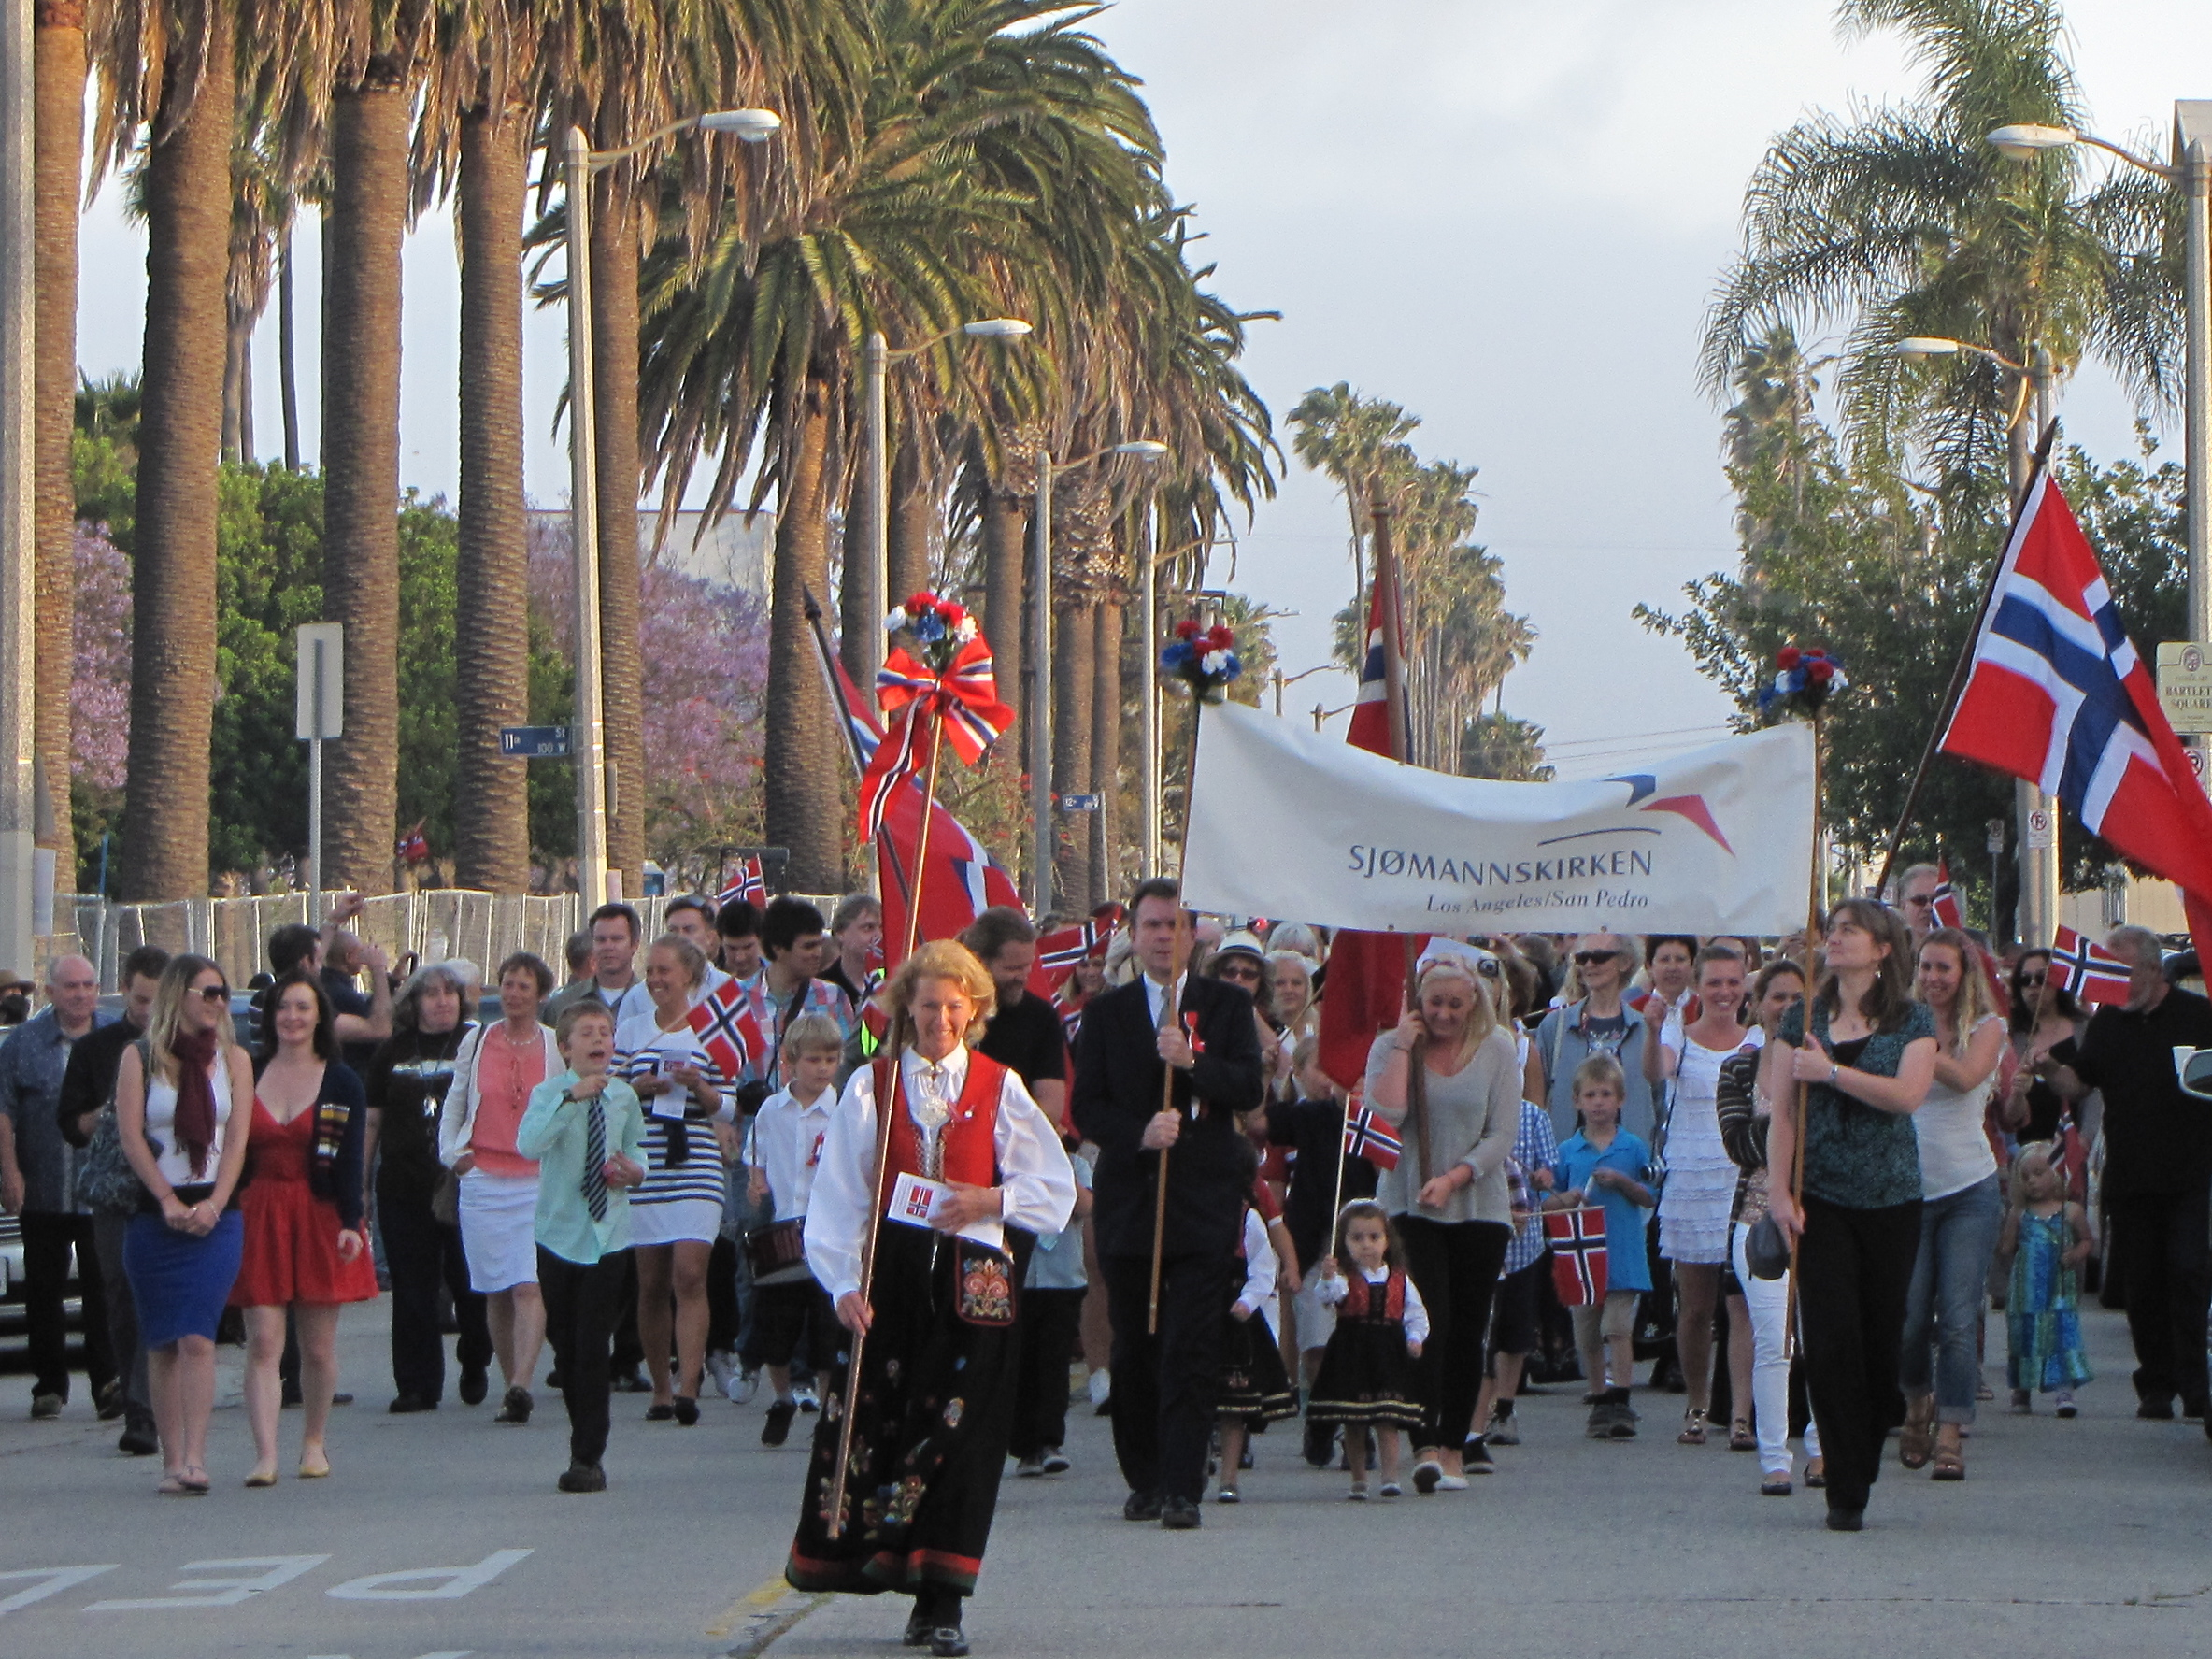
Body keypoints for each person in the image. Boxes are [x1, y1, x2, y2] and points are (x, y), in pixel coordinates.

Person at [783, 940, 1077, 1658]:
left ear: (972, 1010)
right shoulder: (872, 1087)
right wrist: (844, 1283)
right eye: (926, 1006)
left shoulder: (998, 1084)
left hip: (976, 1278)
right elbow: (841, 1196)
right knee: (885, 1422)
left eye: (953, 1006)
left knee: (962, 1435)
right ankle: (888, 1559)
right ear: (905, 1010)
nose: (940, 1019)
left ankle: (942, 1597)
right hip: (893, 1272)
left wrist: (990, 1196)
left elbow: (1055, 1190)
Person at [1071, 878, 1266, 1531]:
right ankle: (1145, 1475)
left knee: (1190, 1344)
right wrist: (1136, 1134)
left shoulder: (1223, 1006)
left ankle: (1184, 1483)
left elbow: (1245, 1085)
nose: (1164, 937)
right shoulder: (1107, 1012)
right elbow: (1087, 1105)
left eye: (1176, 925)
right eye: (1153, 925)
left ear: (1194, 935)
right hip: (1132, 1204)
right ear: (1133, 931)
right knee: (1136, 1347)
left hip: (1199, 1203)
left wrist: (1193, 1062)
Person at [1762, 897, 1937, 1531]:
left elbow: (1906, 1096)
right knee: (1830, 1340)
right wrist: (1777, 1192)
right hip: (1821, 1198)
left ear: (1882, 948)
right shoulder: (1799, 1019)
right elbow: (1781, 1111)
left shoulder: (1910, 1019)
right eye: (1831, 929)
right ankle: (1844, 1479)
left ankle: (1866, 1440)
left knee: (1878, 1338)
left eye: (1849, 930)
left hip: (1890, 1198)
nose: (1834, 939)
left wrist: (1831, 1071)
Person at [2040, 924, 2212, 1423]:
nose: (2108, 983)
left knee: (2187, 1273)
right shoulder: (2110, 1023)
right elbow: (2081, 1078)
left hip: (2189, 1172)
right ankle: (2155, 1385)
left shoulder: (2198, 1017)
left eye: (2120, 971)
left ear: (2154, 970)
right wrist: (2050, 1071)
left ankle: (2197, 1388)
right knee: (2143, 1283)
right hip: (2131, 1174)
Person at [1364, 954, 1519, 1492]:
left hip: (1477, 1206)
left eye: (1456, 1003)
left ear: (1474, 1000)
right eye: (1435, 1003)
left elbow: (1502, 1134)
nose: (1445, 1014)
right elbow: (1385, 1117)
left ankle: (1455, 1443)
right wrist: (1406, 1049)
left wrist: (1455, 1177)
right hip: (1411, 1204)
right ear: (1417, 1001)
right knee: (1427, 1324)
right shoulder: (1390, 1046)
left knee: (1468, 1327)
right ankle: (1423, 1440)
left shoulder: (1498, 1048)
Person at [114, 954, 256, 1495]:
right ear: (180, 995)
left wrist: (216, 1204)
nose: (219, 1003)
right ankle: (171, 1460)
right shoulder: (141, 1056)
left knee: (198, 1337)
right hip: (156, 1215)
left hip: (217, 1213)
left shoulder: (234, 1060)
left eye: (223, 993)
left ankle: (196, 1457)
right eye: (208, 992)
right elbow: (131, 1136)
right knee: (163, 1340)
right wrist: (168, 1199)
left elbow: (237, 1140)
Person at [230, 971, 378, 1485]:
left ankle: (313, 1441)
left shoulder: (341, 1080)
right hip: (259, 1213)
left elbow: (351, 1159)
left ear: (320, 1016)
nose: (292, 1017)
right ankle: (265, 1453)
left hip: (319, 1213)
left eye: (302, 1007)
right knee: (264, 1342)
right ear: (271, 1017)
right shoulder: (247, 1071)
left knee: (317, 1347)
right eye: (283, 1007)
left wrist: (350, 1221)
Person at [517, 1001, 648, 1493]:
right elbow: (530, 1144)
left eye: (606, 1033)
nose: (599, 1041)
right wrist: (570, 1098)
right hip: (558, 1235)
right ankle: (580, 1427)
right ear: (565, 1046)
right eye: (587, 1033)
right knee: (568, 1348)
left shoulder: (624, 1096)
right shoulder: (549, 1093)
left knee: (593, 1346)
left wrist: (635, 1170)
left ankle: (587, 1455)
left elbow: (637, 1148)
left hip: (608, 1236)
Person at [1896, 927, 2008, 1481]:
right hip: (1908, 1191)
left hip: (1969, 1190)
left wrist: (1917, 1045)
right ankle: (1917, 1403)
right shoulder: (1899, 1022)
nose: (1932, 978)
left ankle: (1950, 1432)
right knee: (1911, 1318)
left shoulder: (1987, 1028)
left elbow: (1966, 1078)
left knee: (1958, 1319)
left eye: (1943, 968)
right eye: (1924, 967)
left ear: (1964, 975)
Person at [613, 934, 735, 1423]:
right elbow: (611, 1090)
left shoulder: (712, 1030)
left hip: (696, 1161)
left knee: (689, 1274)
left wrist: (699, 1087)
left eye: (666, 971)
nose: (658, 980)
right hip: (647, 1163)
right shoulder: (632, 1029)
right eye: (652, 972)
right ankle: (660, 1387)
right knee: (651, 1281)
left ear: (689, 975)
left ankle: (689, 1384)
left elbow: (729, 1105)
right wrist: (637, 1086)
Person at [56, 944, 171, 1452]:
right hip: (115, 1194)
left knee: (161, 1295)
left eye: (158, 1000)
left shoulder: (187, 1047)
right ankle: (135, 1401)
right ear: (125, 991)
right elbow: (72, 1126)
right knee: (121, 1296)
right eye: (142, 1000)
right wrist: (112, 1111)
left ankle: (156, 1406)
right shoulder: (97, 1049)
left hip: (173, 1185)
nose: (149, 1012)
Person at [1717, 959, 1824, 1495]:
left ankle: (1823, 1450)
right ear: (1757, 1005)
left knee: (1821, 1337)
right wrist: (1789, 1121)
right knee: (1773, 1341)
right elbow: (1739, 1145)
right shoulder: (1737, 1070)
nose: (1784, 1006)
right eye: (1775, 996)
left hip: (1820, 1216)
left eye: (1795, 997)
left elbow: (1828, 1141)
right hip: (1757, 1221)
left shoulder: (1824, 1064)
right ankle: (1774, 1456)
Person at [365, 961, 492, 1413]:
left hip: (462, 1183)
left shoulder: (477, 1047)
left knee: (469, 1282)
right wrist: (361, 1181)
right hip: (404, 1182)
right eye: (431, 994)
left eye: (449, 993)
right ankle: (417, 1383)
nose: (442, 1002)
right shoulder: (392, 1051)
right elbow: (374, 1118)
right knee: (412, 1286)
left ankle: (476, 1358)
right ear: (414, 1002)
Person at [1646, 943, 1760, 1446]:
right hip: (1691, 1177)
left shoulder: (1756, 1039)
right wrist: (1651, 1029)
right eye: (1713, 982)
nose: (1724, 992)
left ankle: (1738, 1414)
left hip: (1741, 1176)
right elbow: (1656, 1071)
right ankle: (1696, 1403)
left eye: (1732, 982)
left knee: (1742, 1307)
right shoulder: (1677, 1032)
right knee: (1694, 1308)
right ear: (1697, 986)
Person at [441, 951, 561, 1425]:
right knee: (495, 1288)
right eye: (507, 984)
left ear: (540, 995)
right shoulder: (477, 1041)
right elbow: (455, 1103)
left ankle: (521, 1383)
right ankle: (513, 1383)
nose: (513, 995)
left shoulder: (554, 1045)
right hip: (484, 1180)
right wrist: (453, 1156)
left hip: (535, 1178)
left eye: (523, 987)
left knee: (529, 1284)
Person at [0, 953, 117, 1421]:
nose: (82, 994)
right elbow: (4, 1112)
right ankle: (49, 1385)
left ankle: (107, 1381)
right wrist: (9, 1171)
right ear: (50, 993)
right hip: (43, 1188)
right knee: (43, 1289)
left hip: (101, 1190)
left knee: (102, 1287)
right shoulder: (22, 1044)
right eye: (71, 986)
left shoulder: (114, 1039)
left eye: (89, 985)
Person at [1268, 1037, 1377, 1463]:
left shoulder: (1368, 1120)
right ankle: (1321, 1416)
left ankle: (1359, 1429)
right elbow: (1264, 1123)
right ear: (1298, 1072)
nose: (1331, 1077)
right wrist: (1263, 1075)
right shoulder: (1305, 1116)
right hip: (1316, 1242)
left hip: (1364, 1243)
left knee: (1363, 1341)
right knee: (1318, 1343)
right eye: (1320, 1067)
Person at [745, 1014, 846, 1445]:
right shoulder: (773, 1109)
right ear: (790, 1062)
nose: (822, 1068)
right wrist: (756, 1178)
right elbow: (757, 1149)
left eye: (830, 1059)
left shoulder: (842, 1110)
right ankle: (782, 1396)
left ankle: (828, 1411)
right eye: (813, 1060)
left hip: (827, 1232)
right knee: (777, 1325)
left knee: (827, 1328)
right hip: (785, 1226)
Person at [1544, 1054, 1656, 1438]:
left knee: (1617, 1326)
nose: (1598, 1102)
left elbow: (1649, 1195)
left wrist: (1623, 1183)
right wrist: (1565, 1198)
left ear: (1621, 1099)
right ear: (1576, 1101)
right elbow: (1548, 1201)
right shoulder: (1568, 1151)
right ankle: (1598, 1394)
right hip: (1582, 1257)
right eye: (1590, 1094)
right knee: (1587, 1332)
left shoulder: (1633, 1147)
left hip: (1622, 1252)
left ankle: (1620, 1396)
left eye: (1606, 1094)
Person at [1307, 1200, 1428, 1500]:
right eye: (1357, 1238)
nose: (1366, 1245)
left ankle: (1390, 1476)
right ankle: (1358, 1479)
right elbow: (1327, 1297)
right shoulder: (1346, 1277)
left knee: (1388, 1417)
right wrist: (1327, 1276)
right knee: (1355, 1418)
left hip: (1388, 1352)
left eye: (1374, 1237)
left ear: (1387, 1240)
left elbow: (1416, 1312)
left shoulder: (1399, 1278)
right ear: (1344, 1241)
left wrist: (1415, 1338)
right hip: (1352, 1350)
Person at [1210, 1160, 1299, 1502]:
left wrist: (1247, 1302)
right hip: (1202, 1316)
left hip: (1235, 1321)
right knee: (1197, 1398)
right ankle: (1194, 1463)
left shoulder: (1248, 1220)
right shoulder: (1192, 1217)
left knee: (1235, 1406)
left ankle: (1229, 1478)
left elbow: (1263, 1267)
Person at [1525, 933, 1661, 1145]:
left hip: (1630, 1160)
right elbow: (1536, 1100)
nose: (1589, 964)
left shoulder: (1645, 1028)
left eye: (1599, 957)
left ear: (1625, 962)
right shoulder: (1554, 1026)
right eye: (1582, 958)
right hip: (1566, 1161)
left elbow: (1658, 1099)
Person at [1010, 1148, 1094, 1478]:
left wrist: (1059, 1167)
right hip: (1023, 1276)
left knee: (1054, 1360)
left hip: (1062, 1279)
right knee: (1023, 1360)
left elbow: (1085, 1206)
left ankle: (1049, 1441)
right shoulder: (1015, 1159)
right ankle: (1024, 1446)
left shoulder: (1076, 1165)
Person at [1996, 1139, 2095, 1414]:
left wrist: (2075, 1253)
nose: (2032, 1182)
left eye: (2039, 1174)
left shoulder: (2071, 1212)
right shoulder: (2020, 1213)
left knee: (2061, 1333)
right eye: (2026, 1177)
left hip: (2058, 1287)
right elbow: (2006, 1247)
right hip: (2026, 1287)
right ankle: (2021, 1390)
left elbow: (2087, 1240)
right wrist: (2001, 1234)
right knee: (2023, 1334)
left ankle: (2064, 1390)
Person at [961, 908, 1071, 1129]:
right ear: (978, 962)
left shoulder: (1040, 1017)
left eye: (1027, 966)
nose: (1023, 977)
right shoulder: (940, 1010)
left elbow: (1050, 1106)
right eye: (1012, 969)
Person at [751, 897, 858, 1060]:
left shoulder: (833, 996)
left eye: (819, 944)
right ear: (778, 948)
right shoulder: (740, 999)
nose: (818, 953)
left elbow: (845, 1064)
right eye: (808, 946)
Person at [2005, 950, 2085, 1145]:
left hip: (2075, 1145)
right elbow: (2006, 1113)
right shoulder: (2009, 1034)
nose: (2033, 985)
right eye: (2025, 980)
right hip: (2027, 1152)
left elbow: (2095, 1093)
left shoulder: (2084, 1028)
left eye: (2042, 978)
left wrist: (2087, 1137)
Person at [617, 896, 730, 1024]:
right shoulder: (637, 998)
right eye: (673, 931)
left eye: (689, 930)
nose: (680, 937)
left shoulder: (730, 990)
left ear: (710, 937)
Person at [543, 903, 643, 1023]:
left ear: (635, 944)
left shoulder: (652, 1002)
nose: (608, 946)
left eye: (617, 939)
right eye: (601, 940)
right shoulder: (562, 1005)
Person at [822, 894, 884, 1008]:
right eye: (868, 928)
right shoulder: (822, 989)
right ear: (840, 933)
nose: (879, 935)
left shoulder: (897, 985)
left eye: (882, 928)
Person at [1893, 863, 1942, 950]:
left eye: (1935, 900)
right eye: (1920, 900)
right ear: (1902, 905)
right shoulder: (1890, 953)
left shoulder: (1962, 951)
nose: (1928, 907)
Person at [717, 898, 765, 982]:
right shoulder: (708, 983)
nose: (740, 958)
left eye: (747, 947)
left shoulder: (780, 979)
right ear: (720, 941)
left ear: (760, 939)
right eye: (732, 948)